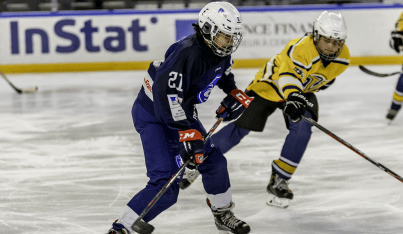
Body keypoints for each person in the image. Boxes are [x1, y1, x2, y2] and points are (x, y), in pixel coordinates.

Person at [106, 2, 253, 234]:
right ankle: (122, 227)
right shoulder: (188, 54)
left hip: (179, 111)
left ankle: (222, 214)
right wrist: (187, 133)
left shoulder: (219, 51)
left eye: (233, 36)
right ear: (208, 31)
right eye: (226, 36)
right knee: (167, 184)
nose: (230, 42)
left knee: (213, 161)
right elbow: (167, 96)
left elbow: (222, 73)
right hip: (154, 113)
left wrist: (233, 92)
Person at [181, 11, 350, 209]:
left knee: (303, 127)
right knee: (239, 128)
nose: (331, 47)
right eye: (327, 40)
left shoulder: (344, 58)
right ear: (316, 35)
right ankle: (198, 161)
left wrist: (300, 98)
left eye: (336, 42)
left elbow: (322, 79)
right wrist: (294, 96)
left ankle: (280, 178)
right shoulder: (301, 48)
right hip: (268, 86)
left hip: (300, 92)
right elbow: (288, 76)